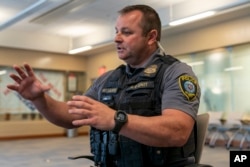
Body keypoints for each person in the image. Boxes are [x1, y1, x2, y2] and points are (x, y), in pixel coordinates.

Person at [7, 4, 200, 167]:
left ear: (151, 37)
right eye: (116, 31)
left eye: (126, 32)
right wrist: (39, 99)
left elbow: (178, 131)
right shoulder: (108, 79)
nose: (116, 38)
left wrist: (115, 119)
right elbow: (70, 116)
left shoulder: (176, 73)